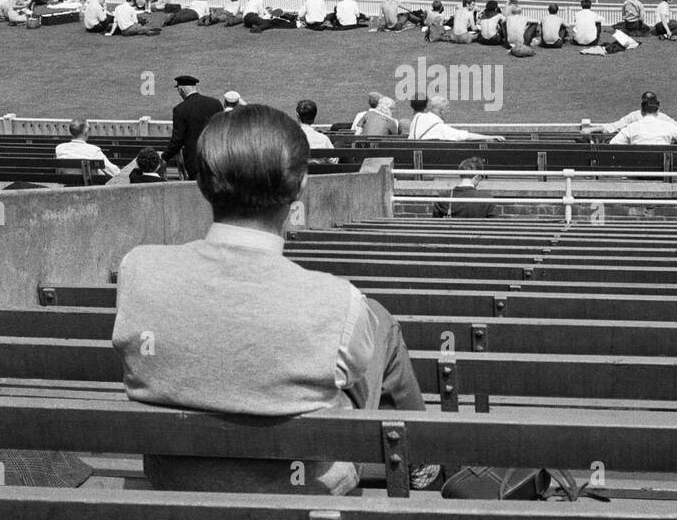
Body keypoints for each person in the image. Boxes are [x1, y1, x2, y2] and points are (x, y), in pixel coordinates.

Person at [112, 104, 435, 495]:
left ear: (201, 184)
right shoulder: (338, 301)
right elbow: (348, 379)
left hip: (174, 479)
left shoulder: (139, 269)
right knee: (378, 321)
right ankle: (423, 457)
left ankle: (422, 456)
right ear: (300, 188)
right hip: (305, 490)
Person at [162, 75, 223, 178]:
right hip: (217, 159)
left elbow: (177, 140)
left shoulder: (180, 109)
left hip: (195, 162)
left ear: (180, 89)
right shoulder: (216, 104)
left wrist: (164, 157)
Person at [407, 94, 504, 142]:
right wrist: (489, 137)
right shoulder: (439, 127)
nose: (448, 112)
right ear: (441, 110)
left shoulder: (418, 117)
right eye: (447, 109)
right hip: (426, 161)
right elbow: (463, 135)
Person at [611, 93, 677, 146]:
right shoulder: (668, 125)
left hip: (638, 168)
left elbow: (614, 143)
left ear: (642, 111)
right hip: (663, 169)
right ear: (657, 111)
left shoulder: (631, 127)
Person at [432, 157, 499, 219]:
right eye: (481, 177)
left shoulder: (444, 198)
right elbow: (495, 227)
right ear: (477, 176)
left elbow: (435, 225)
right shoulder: (487, 199)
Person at [55, 119, 119, 179]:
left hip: (68, 185)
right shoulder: (94, 150)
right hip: (89, 186)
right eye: (89, 129)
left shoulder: (60, 148)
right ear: (85, 132)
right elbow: (113, 171)